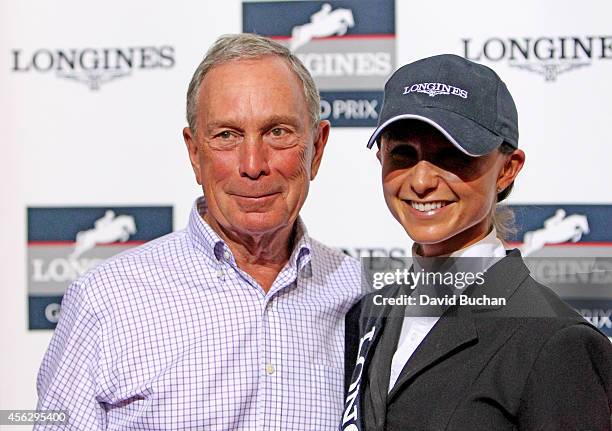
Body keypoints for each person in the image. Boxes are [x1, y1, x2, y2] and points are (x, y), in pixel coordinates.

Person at [36, 33, 362, 430]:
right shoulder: (105, 300)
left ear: (318, 147)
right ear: (194, 154)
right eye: (227, 135)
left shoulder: (358, 295)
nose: (253, 164)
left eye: (277, 132)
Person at [342, 54, 612, 431]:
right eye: (403, 154)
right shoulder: (373, 313)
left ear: (507, 169)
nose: (421, 181)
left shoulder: (557, 341)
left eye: (451, 155)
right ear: (380, 159)